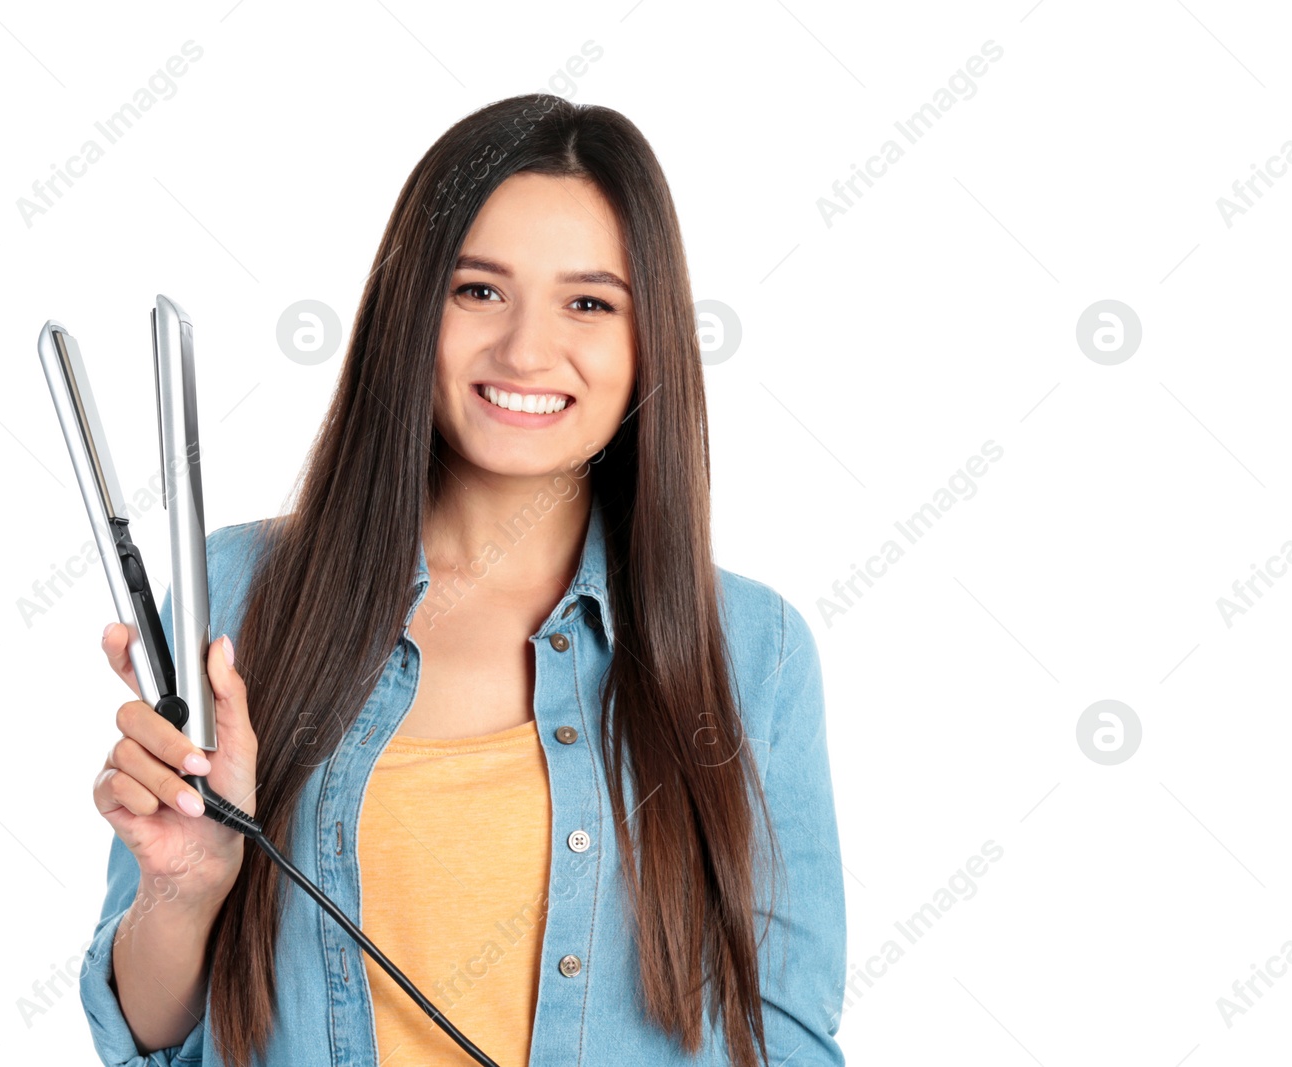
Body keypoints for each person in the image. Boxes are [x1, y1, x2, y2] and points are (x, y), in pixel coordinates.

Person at [79, 91, 846, 1067]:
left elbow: (784, 1034)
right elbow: (149, 1041)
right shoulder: (241, 596)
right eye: (477, 290)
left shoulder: (753, 649)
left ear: (647, 339)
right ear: (412, 310)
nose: (526, 349)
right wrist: (182, 891)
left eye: (589, 302)